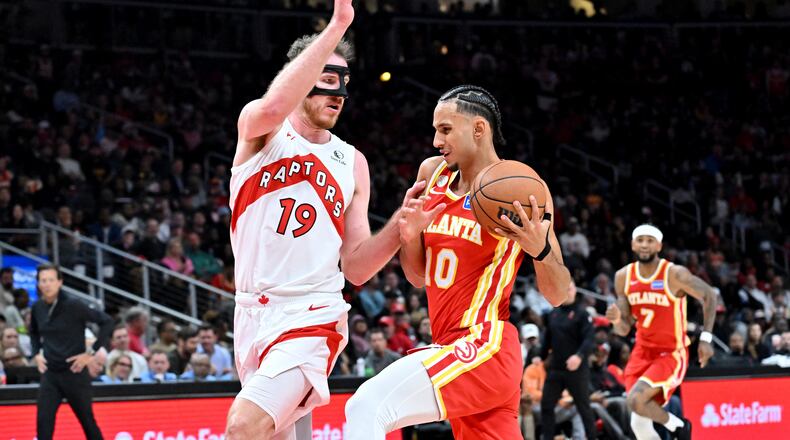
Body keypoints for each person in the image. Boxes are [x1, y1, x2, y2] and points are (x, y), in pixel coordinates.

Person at [224, 1, 424, 438]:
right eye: (328, 80)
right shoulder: (261, 128)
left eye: (344, 83)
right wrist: (337, 26)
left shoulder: (351, 162)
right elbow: (274, 106)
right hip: (251, 313)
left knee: (242, 426)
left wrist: (400, 226)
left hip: (312, 312)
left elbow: (356, 267)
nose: (339, 94)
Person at [345, 85, 570, 439]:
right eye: (436, 130)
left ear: (478, 129)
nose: (437, 141)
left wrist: (539, 250)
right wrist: (410, 236)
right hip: (449, 346)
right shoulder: (432, 174)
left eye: (446, 130)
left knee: (368, 405)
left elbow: (558, 294)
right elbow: (417, 277)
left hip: (485, 344)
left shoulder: (521, 191)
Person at [606, 225, 717, 440]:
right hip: (641, 352)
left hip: (670, 353)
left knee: (636, 401)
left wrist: (706, 338)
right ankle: (677, 427)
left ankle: (678, 426)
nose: (644, 245)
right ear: (632, 245)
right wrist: (617, 320)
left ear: (659, 246)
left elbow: (709, 295)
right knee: (639, 422)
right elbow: (624, 329)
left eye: (650, 241)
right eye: (640, 240)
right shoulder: (623, 277)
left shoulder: (674, 274)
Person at [30, 263, 113, 440]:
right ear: (38, 284)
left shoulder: (74, 305)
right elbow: (34, 332)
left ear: (60, 282)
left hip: (74, 372)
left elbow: (107, 321)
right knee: (43, 424)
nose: (47, 284)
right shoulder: (37, 307)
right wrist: (36, 354)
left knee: (88, 423)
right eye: (43, 280)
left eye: (51, 280)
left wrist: (90, 353)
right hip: (50, 373)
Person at [540, 280, 597, 440]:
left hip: (576, 370)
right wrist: (539, 356)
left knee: (583, 407)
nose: (567, 291)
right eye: (564, 288)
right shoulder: (553, 313)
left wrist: (579, 356)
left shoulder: (582, 314)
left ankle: (593, 437)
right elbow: (547, 339)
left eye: (570, 288)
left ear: (575, 290)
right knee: (546, 405)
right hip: (556, 368)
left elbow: (589, 339)